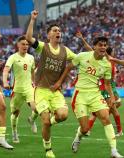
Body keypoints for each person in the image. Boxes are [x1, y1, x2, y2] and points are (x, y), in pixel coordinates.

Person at [53, 36, 124, 158]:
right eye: (100, 45)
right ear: (94, 46)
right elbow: (68, 67)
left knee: (106, 118)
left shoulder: (106, 65)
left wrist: (111, 97)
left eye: (105, 45)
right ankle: (78, 137)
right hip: (80, 95)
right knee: (85, 129)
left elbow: (107, 84)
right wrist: (59, 82)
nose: (103, 47)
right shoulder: (82, 56)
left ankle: (114, 151)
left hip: (95, 94)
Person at [25, 10, 76, 158]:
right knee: (45, 121)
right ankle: (48, 150)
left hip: (55, 91)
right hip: (41, 90)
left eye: (59, 30)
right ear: (49, 35)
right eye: (55, 30)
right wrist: (33, 19)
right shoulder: (44, 47)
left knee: (63, 115)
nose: (58, 32)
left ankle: (48, 123)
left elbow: (79, 59)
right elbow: (28, 38)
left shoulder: (66, 51)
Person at [75, 32, 123, 137]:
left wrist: (82, 39)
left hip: (106, 86)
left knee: (111, 108)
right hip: (104, 87)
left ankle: (92, 128)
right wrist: (82, 39)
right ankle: (118, 130)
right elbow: (90, 50)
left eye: (105, 46)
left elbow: (90, 49)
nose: (103, 48)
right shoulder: (108, 61)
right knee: (112, 108)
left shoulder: (107, 62)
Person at [2, 35, 38, 144]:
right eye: (23, 44)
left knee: (37, 108)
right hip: (17, 89)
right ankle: (14, 132)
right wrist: (5, 81)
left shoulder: (31, 58)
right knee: (15, 113)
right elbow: (6, 70)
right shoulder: (12, 57)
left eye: (27, 44)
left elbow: (32, 72)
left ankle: (31, 120)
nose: (25, 46)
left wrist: (34, 83)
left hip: (29, 88)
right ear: (18, 45)